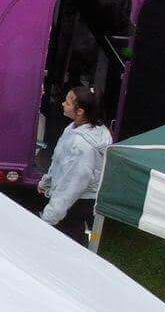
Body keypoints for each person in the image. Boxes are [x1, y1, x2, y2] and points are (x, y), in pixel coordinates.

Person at [40, 85, 111, 243]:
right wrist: (48, 181)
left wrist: (48, 218)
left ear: (80, 111)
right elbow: (59, 161)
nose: (63, 104)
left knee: (69, 244)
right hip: (72, 202)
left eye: (68, 102)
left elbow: (71, 186)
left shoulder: (82, 146)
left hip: (78, 205)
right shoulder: (73, 128)